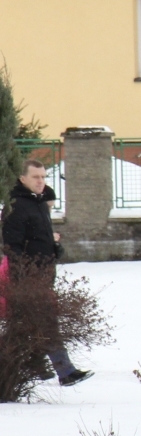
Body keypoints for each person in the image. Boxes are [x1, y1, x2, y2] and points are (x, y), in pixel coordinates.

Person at [2, 158, 92, 385]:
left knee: (23, 328)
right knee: (45, 323)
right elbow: (12, 246)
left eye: (43, 177)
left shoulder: (40, 204)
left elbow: (39, 239)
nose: (41, 181)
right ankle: (64, 372)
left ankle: (33, 369)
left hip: (43, 275)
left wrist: (54, 249)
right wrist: (24, 278)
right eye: (36, 177)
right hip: (27, 279)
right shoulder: (16, 206)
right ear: (22, 178)